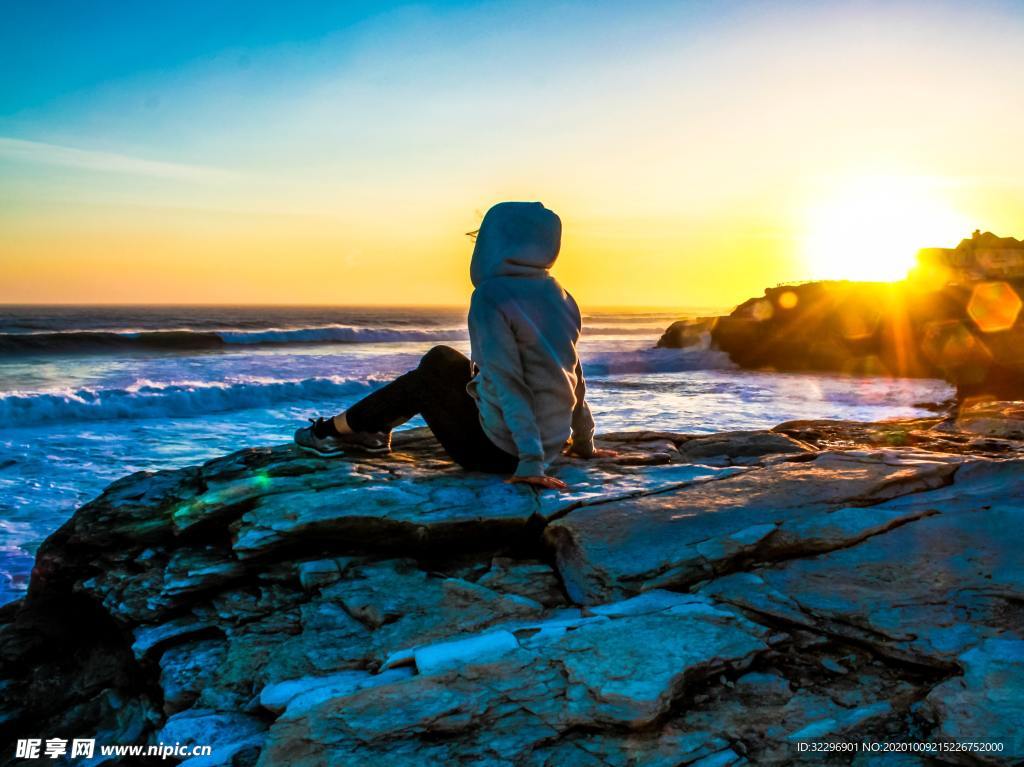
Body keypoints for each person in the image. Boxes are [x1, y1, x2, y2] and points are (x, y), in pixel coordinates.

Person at [293, 201, 613, 490]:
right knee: (441, 359)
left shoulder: (491, 296)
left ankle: (331, 432)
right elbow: (572, 374)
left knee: (424, 382)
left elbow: (507, 379)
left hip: (501, 453)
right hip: (550, 444)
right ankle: (368, 430)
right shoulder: (560, 295)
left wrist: (530, 462)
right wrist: (584, 442)